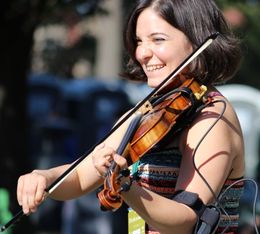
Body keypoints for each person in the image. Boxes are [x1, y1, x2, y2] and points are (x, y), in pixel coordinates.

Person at [16, 0, 245, 233]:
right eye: (139, 41)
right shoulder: (149, 111)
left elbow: (186, 217)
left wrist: (126, 185)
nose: (142, 53)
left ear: (196, 40)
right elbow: (80, 176)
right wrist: (44, 178)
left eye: (158, 39)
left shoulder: (212, 117)